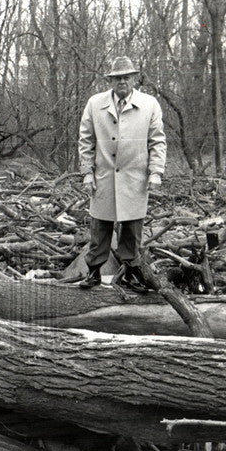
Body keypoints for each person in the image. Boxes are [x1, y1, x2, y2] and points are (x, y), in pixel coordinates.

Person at [77, 56, 167, 290]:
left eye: (126, 77)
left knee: (132, 229)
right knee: (100, 226)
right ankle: (94, 272)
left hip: (135, 176)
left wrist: (156, 171)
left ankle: (131, 273)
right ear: (110, 80)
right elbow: (85, 140)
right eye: (117, 78)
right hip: (104, 175)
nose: (122, 82)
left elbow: (157, 141)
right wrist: (87, 172)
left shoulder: (149, 104)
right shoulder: (95, 104)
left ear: (134, 78)